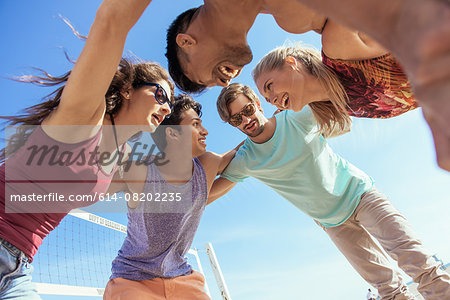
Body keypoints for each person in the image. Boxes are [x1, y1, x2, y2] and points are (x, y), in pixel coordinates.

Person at [210, 83, 450, 299]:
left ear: (257, 103)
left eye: (248, 110)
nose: (245, 120)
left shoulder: (295, 117)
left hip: (360, 194)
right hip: (333, 222)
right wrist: (180, 138)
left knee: (420, 264)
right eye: (236, 120)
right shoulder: (247, 159)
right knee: (388, 290)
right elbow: (202, 194)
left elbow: (334, 93)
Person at [0, 0, 173, 298]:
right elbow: (110, 22)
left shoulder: (122, 161)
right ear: (127, 89)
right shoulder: (85, 117)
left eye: (169, 104)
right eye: (160, 94)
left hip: (18, 268)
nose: (166, 107)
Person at [166, 0, 450, 172]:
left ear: (187, 42)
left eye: (207, 78)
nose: (223, 83)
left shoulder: (317, 32)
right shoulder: (341, 103)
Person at [104, 95, 239, 300]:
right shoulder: (139, 170)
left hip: (182, 277)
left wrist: (276, 123)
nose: (205, 131)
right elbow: (89, 184)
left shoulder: (208, 165)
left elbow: (244, 153)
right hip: (133, 280)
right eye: (195, 124)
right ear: (172, 134)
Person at [252, 45, 416, 138]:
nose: (272, 99)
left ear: (290, 64)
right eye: (267, 99)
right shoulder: (342, 106)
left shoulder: (338, 54)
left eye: (270, 86)